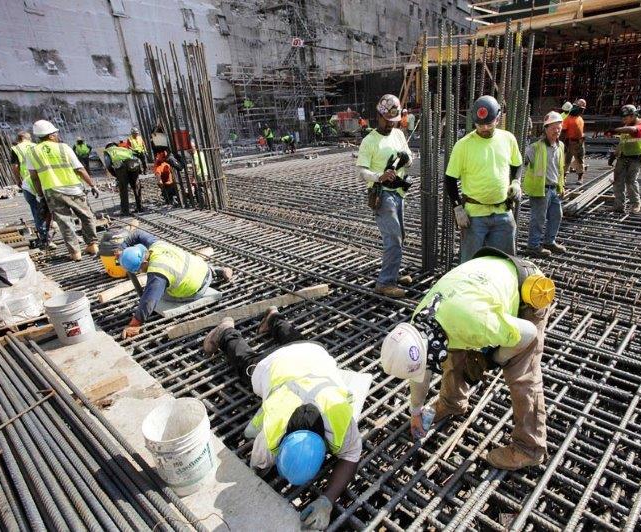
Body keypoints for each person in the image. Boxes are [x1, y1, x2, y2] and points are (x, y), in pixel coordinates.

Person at [380, 247, 555, 470]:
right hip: (481, 284)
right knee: (455, 348)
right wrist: (416, 411)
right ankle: (452, 403)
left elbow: (528, 334)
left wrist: (498, 357)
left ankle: (529, 449)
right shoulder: (421, 324)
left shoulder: (477, 323)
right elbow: (420, 371)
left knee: (521, 373)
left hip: (529, 291)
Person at [202, 307, 361, 530]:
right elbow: (257, 467)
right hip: (293, 358)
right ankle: (238, 329)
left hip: (310, 354)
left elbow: (352, 456)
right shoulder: (270, 437)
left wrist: (327, 501)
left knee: (284, 351)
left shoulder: (340, 418)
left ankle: (257, 323)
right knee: (250, 363)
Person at [445, 95, 522, 262]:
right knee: (470, 263)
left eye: (489, 124)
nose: (485, 128)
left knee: (505, 262)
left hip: (503, 212)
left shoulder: (508, 139)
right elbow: (449, 179)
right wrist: (457, 208)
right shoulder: (463, 145)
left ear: (498, 118)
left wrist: (516, 181)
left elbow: (517, 164)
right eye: (480, 125)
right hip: (474, 216)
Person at [118, 230, 233, 338]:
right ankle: (217, 271)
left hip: (196, 288)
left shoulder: (158, 273)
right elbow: (137, 234)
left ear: (144, 263)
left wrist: (135, 324)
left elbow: (149, 301)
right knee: (174, 270)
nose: (140, 272)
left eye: (139, 270)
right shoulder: (156, 245)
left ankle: (201, 282)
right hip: (203, 269)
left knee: (158, 292)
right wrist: (122, 248)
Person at [356, 94, 413, 298]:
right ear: (378, 116)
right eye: (387, 120)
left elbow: (409, 160)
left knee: (400, 236)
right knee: (393, 238)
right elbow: (362, 172)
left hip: (398, 193)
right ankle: (385, 283)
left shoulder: (398, 135)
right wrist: (379, 176)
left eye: (393, 121)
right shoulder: (369, 141)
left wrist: (407, 160)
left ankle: (392, 274)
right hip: (382, 195)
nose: (390, 124)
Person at [24, 120, 99, 261]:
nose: (57, 135)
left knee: (64, 222)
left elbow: (34, 178)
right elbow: (80, 169)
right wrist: (92, 185)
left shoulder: (32, 152)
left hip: (52, 191)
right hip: (73, 188)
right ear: (51, 136)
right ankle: (92, 245)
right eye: (55, 133)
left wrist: (40, 195)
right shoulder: (63, 148)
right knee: (86, 216)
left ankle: (75, 253)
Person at [523, 112, 567, 258]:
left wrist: (562, 186)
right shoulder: (535, 147)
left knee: (556, 215)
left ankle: (549, 241)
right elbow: (521, 161)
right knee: (538, 219)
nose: (557, 130)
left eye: (559, 128)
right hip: (540, 190)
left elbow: (560, 168)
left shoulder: (560, 146)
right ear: (546, 129)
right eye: (554, 128)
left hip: (554, 189)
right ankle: (533, 246)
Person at [11, 131, 53, 249]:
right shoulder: (37, 146)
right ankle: (51, 234)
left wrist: (18, 180)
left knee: (36, 210)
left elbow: (15, 167)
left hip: (28, 183)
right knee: (48, 209)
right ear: (29, 139)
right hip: (44, 180)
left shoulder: (16, 149)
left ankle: (45, 239)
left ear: (19, 139)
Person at [605, 105, 641, 213]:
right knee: (617, 181)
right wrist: (614, 155)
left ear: (633, 115)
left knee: (631, 181)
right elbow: (622, 143)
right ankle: (619, 206)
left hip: (636, 158)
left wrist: (615, 130)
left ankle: (635, 204)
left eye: (625, 118)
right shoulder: (626, 126)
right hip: (623, 157)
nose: (623, 120)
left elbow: (634, 130)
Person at [104, 142, 143, 215]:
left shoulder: (108, 151)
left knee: (123, 189)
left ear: (107, 147)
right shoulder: (123, 149)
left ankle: (125, 211)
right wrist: (139, 171)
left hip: (121, 168)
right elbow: (135, 158)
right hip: (133, 165)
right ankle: (140, 207)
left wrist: (115, 175)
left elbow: (108, 165)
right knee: (136, 186)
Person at [561, 98, 586, 183]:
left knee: (580, 160)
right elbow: (563, 132)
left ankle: (580, 177)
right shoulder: (568, 119)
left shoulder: (580, 119)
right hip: (569, 142)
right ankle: (563, 178)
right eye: (581, 109)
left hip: (579, 142)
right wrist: (563, 143)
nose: (582, 111)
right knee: (566, 161)